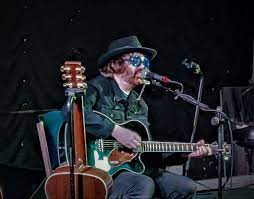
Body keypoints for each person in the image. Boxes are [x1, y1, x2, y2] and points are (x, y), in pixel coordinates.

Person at [84, 35, 211, 199]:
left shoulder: (139, 104)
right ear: (116, 64)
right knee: (143, 184)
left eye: (146, 63)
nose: (143, 67)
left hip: (134, 168)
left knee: (186, 186)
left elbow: (148, 151)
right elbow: (71, 113)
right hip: (100, 169)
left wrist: (186, 153)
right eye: (137, 61)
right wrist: (114, 130)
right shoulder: (96, 88)